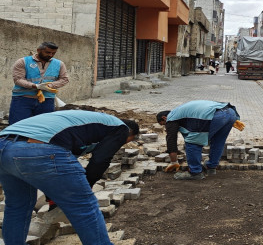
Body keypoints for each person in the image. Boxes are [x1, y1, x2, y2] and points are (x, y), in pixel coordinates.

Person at [0, 110, 139, 245]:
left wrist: (52, 197)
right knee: (84, 205)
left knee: (18, 205)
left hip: (4, 146)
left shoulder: (87, 126)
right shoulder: (122, 128)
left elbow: (57, 171)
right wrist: (87, 185)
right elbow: (100, 160)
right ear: (130, 133)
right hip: (38, 148)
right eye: (126, 141)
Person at [156, 100, 244, 180]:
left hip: (215, 116)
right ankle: (211, 167)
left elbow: (171, 140)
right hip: (230, 112)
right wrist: (227, 117)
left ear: (164, 118)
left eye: (163, 124)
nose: (165, 126)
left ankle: (195, 172)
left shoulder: (171, 117)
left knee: (192, 142)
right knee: (218, 141)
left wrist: (174, 161)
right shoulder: (180, 112)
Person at [9, 42, 69, 124]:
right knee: (17, 126)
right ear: (38, 50)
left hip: (47, 100)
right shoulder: (23, 61)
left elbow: (64, 79)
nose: (50, 55)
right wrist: (35, 86)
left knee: (43, 127)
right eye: (47, 52)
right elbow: (18, 79)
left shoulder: (59, 64)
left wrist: (50, 85)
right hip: (22, 99)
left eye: (53, 53)